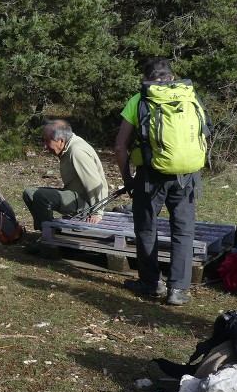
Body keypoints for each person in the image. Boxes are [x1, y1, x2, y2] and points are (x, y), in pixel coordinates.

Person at [113, 57, 205, 306]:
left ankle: (151, 282)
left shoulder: (139, 100)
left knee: (146, 226)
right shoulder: (191, 97)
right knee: (183, 231)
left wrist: (127, 179)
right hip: (187, 175)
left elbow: (120, 146)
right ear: (172, 77)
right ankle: (178, 290)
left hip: (150, 175)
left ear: (146, 80)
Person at [22, 120, 108, 254]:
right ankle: (46, 233)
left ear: (61, 141)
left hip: (85, 205)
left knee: (41, 196)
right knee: (29, 193)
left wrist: (97, 212)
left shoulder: (77, 151)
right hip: (73, 196)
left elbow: (96, 183)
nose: (45, 146)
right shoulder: (68, 146)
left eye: (47, 141)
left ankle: (49, 243)